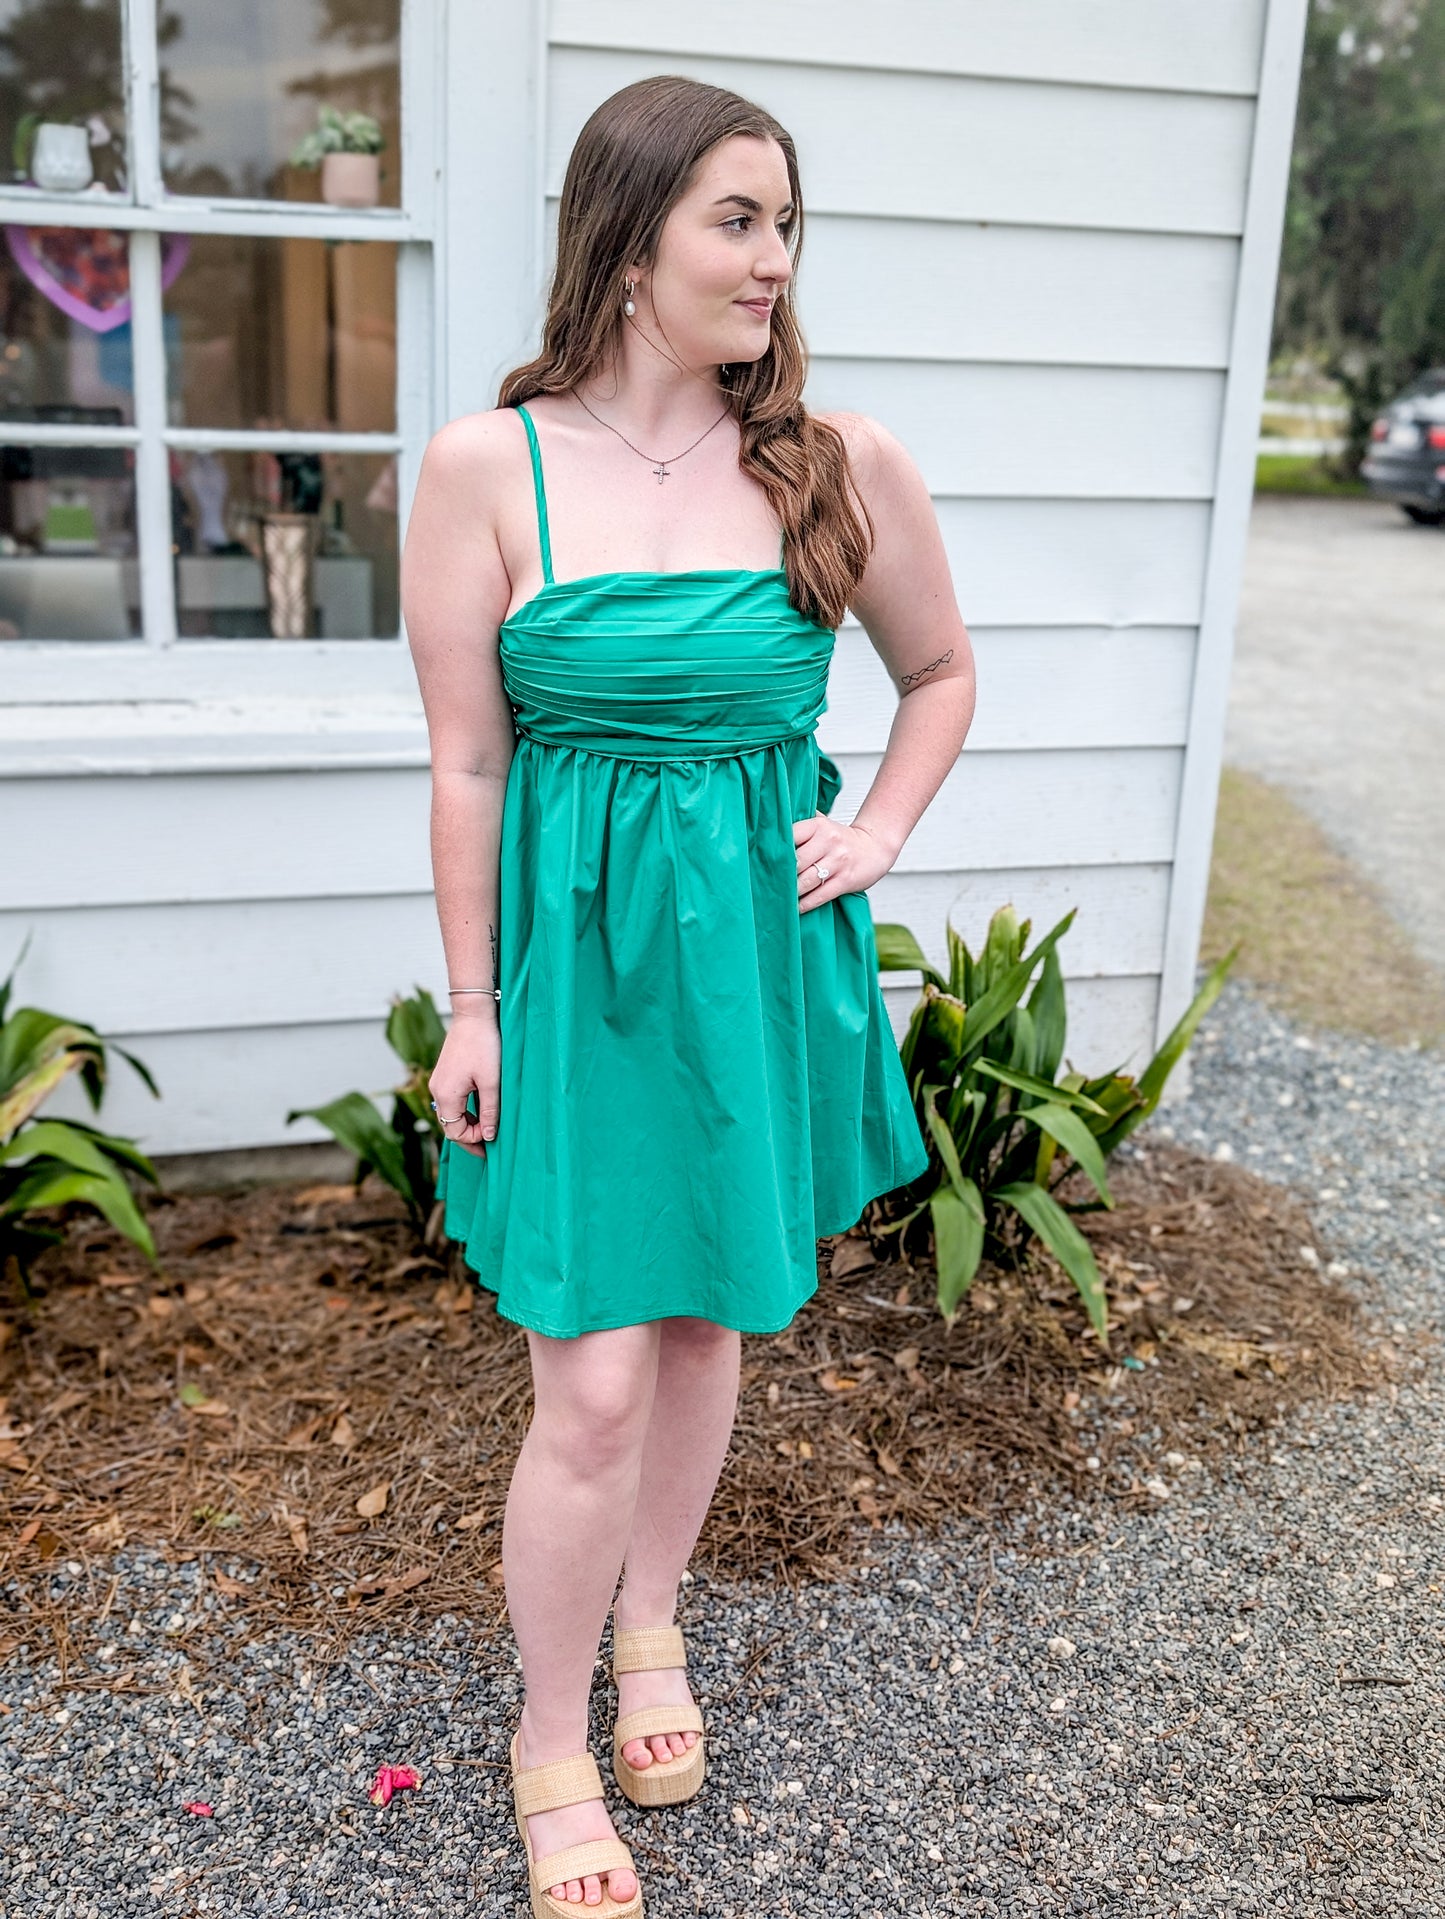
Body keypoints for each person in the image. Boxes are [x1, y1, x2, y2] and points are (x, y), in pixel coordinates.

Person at [401, 73, 974, 1919]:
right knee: (586, 1384)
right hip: (573, 982)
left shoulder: (834, 459)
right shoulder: (486, 468)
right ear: (626, 239)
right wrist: (473, 1005)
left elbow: (942, 670)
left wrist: (876, 829)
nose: (772, 258)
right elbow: (469, 766)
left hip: (744, 964)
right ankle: (545, 1736)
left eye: (786, 224)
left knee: (712, 1322)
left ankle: (656, 1626)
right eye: (736, 218)